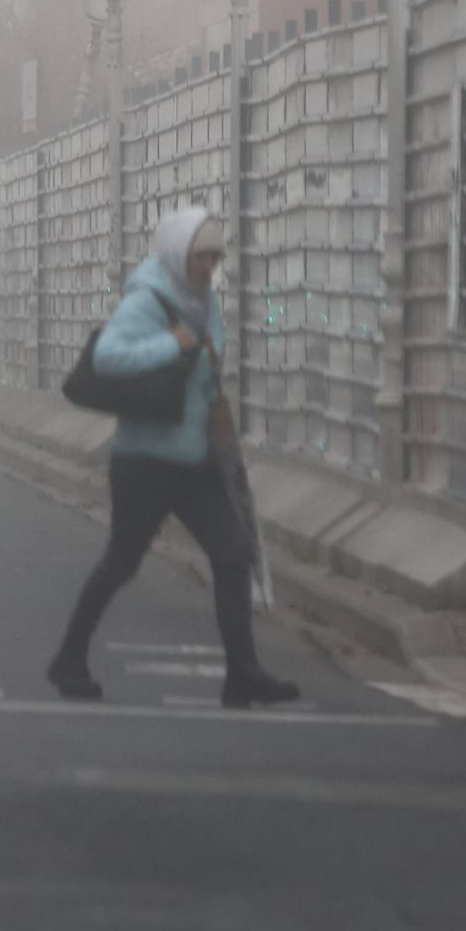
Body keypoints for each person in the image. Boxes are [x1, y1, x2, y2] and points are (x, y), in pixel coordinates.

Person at [47, 208, 299, 710]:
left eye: (215, 256)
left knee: (232, 554)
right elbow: (108, 357)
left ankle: (242, 675)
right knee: (122, 561)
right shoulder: (149, 301)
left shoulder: (204, 304)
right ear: (178, 255)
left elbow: (207, 368)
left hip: (196, 461)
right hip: (144, 462)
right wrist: (172, 344)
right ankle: (69, 658)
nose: (210, 266)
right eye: (201, 256)